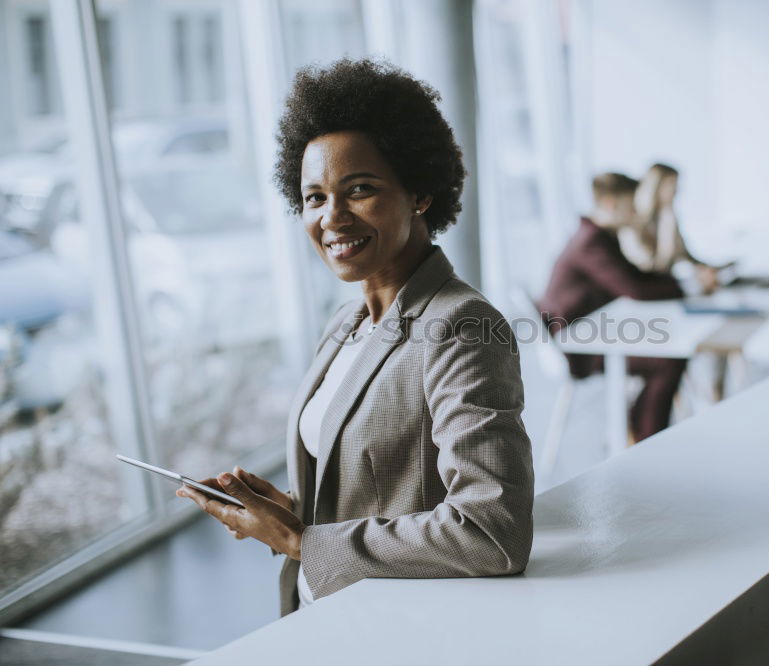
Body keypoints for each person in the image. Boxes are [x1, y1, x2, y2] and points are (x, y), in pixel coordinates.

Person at [177, 58, 534, 615]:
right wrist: (290, 512)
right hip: (328, 611)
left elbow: (492, 532)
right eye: (315, 198)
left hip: (406, 628)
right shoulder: (345, 323)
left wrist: (299, 541)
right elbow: (387, 490)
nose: (332, 218)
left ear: (420, 192)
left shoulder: (461, 327)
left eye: (360, 189)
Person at [537, 172, 687, 443]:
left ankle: (641, 427)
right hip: (580, 347)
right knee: (668, 361)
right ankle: (648, 439)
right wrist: (679, 288)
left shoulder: (599, 235)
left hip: (597, 335)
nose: (634, 213)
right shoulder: (591, 241)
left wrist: (676, 284)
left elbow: (635, 279)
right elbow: (635, 290)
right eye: (630, 207)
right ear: (610, 204)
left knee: (670, 355)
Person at [619, 163, 720, 293]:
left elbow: (685, 255)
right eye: (672, 184)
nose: (677, 190)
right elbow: (658, 267)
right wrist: (668, 219)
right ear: (656, 187)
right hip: (649, 292)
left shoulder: (666, 218)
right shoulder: (632, 224)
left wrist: (708, 268)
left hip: (668, 289)